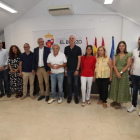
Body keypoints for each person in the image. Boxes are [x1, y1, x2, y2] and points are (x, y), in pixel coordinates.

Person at [109, 41, 132, 109]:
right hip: (116, 72)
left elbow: (128, 65)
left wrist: (120, 73)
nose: (121, 47)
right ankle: (114, 100)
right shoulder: (115, 54)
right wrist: (117, 73)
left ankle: (119, 102)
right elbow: (114, 64)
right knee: (115, 87)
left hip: (124, 74)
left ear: (125, 46)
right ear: (118, 47)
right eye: (120, 46)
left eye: (123, 46)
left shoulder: (129, 54)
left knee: (121, 87)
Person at [64, 35, 82, 104]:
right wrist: (65, 65)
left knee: (76, 84)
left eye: (72, 38)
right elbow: (65, 57)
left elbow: (79, 59)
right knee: (69, 83)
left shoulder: (78, 48)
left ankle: (76, 97)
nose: (71, 39)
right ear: (69, 40)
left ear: (75, 40)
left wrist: (77, 70)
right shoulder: (66, 48)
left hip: (75, 69)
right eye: (70, 38)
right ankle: (69, 97)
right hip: (68, 69)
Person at [128, 37, 140, 116]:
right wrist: (130, 69)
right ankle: (134, 105)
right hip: (135, 74)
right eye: (139, 39)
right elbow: (132, 61)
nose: (139, 41)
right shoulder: (135, 51)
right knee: (134, 91)